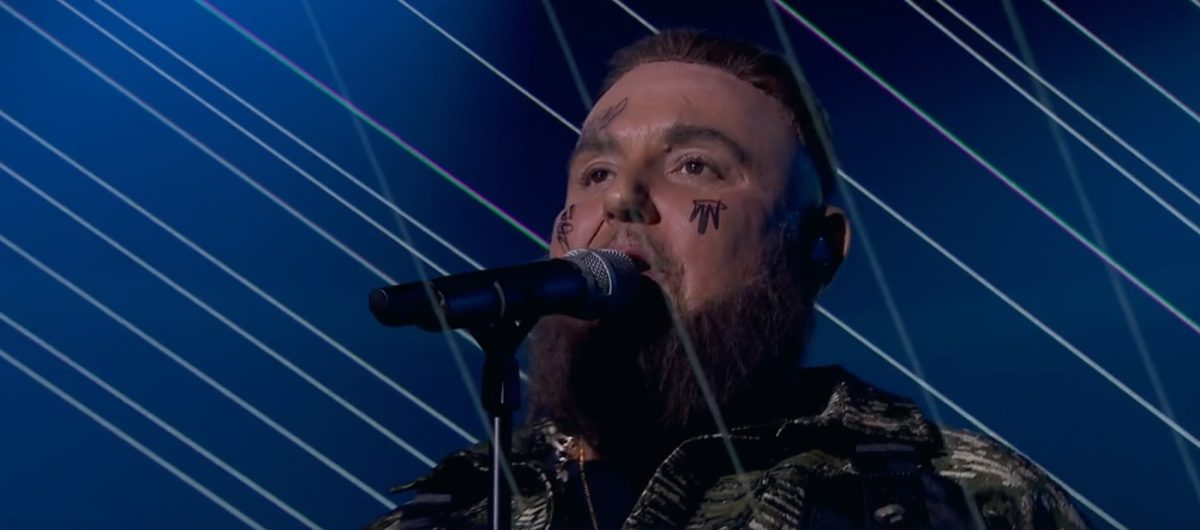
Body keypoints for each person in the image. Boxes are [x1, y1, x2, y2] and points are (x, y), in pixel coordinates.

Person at [367, 30, 1090, 530]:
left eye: (694, 166)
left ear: (815, 248)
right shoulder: (451, 513)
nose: (621, 198)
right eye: (596, 171)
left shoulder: (959, 500)